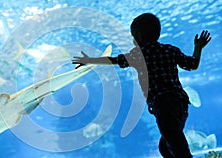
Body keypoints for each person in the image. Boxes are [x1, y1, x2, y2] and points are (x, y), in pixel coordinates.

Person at [72, 13, 211, 157]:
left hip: (163, 104)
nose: (133, 40)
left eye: (133, 36)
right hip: (180, 104)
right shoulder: (170, 49)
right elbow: (192, 64)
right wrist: (198, 47)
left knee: (174, 142)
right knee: (166, 145)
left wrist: (89, 60)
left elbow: (114, 60)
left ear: (139, 36)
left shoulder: (139, 54)